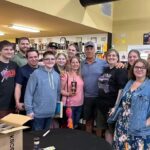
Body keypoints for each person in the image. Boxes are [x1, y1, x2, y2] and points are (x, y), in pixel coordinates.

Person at [113, 59, 150, 149]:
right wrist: (115, 108)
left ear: (147, 70)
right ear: (133, 69)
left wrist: (147, 122)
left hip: (138, 127)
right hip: (122, 124)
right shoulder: (130, 82)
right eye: (137, 67)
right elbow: (123, 100)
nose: (139, 69)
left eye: (142, 67)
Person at [97, 49, 128, 144]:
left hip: (111, 106)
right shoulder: (106, 69)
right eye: (109, 55)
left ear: (118, 58)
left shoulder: (120, 70)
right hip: (101, 105)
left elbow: (121, 89)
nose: (111, 57)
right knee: (105, 129)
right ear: (106, 58)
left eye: (114, 55)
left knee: (112, 130)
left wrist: (115, 106)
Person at [24, 51, 60, 131]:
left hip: (50, 113)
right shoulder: (36, 74)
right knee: (37, 138)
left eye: (52, 59)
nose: (50, 61)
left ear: (55, 60)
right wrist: (29, 110)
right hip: (37, 114)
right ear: (43, 61)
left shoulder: (57, 75)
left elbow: (57, 94)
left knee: (46, 136)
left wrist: (56, 110)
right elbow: (29, 93)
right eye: (47, 59)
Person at [81, 41, 107, 134]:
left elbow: (112, 69)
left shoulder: (103, 63)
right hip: (86, 97)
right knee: (88, 120)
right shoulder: (81, 64)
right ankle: (89, 141)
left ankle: (98, 142)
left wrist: (119, 63)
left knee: (99, 122)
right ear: (84, 51)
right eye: (87, 49)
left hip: (99, 97)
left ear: (95, 50)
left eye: (91, 48)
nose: (89, 51)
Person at [61, 56, 84, 128]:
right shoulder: (65, 75)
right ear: (70, 64)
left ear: (79, 64)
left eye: (77, 62)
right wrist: (68, 93)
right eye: (73, 62)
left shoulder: (80, 75)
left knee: (76, 124)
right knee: (70, 126)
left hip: (80, 104)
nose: (75, 64)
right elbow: (60, 90)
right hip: (69, 105)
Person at [15, 49, 39, 114]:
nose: (33, 59)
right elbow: (18, 87)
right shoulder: (22, 70)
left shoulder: (42, 69)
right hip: (26, 104)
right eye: (31, 57)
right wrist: (17, 102)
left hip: (40, 105)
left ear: (38, 57)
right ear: (27, 58)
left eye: (35, 57)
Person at [0, 40, 18, 118]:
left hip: (12, 104)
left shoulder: (14, 65)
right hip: (1, 105)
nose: (9, 51)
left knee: (12, 128)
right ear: (0, 51)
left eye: (11, 49)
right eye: (6, 49)